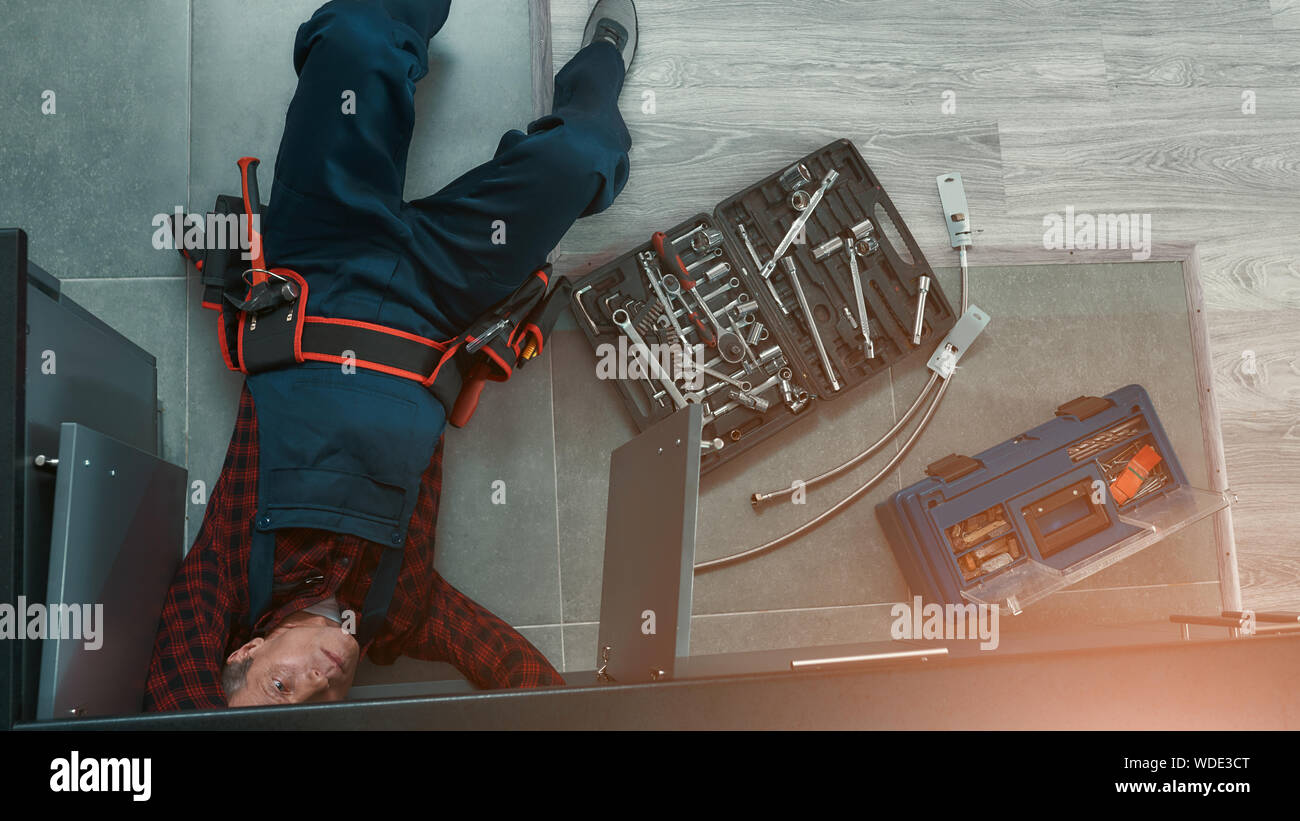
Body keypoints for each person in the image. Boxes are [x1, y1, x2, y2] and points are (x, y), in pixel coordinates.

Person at [144, 0, 639, 709]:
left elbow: (173, 702)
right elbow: (512, 671)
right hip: (438, 295)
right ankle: (602, 67)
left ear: (247, 649)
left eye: (279, 685)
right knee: (583, 156)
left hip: (319, 261)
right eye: (317, 702)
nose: (316, 679)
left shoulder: (225, 579)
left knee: (357, 40)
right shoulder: (397, 613)